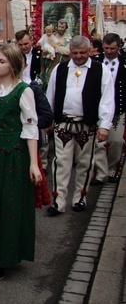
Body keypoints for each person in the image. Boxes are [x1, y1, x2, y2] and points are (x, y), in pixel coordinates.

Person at [0, 44, 41, 281]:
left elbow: (30, 127)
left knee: (7, 204)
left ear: (13, 65)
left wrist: (33, 163)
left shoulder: (23, 90)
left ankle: (1, 259)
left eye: (1, 61)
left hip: (12, 154)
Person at [46, 36, 113, 215]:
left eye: (82, 52)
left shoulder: (101, 70)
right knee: (61, 163)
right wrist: (48, 119)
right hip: (63, 124)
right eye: (74, 53)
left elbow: (107, 99)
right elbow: (50, 95)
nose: (78, 56)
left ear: (89, 50)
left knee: (85, 163)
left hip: (87, 124)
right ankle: (58, 201)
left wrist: (104, 125)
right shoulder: (60, 69)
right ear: (70, 52)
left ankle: (80, 198)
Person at [92, 33, 125, 184]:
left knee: (116, 141)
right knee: (99, 142)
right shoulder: (95, 62)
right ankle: (100, 173)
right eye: (106, 48)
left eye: (112, 48)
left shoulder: (124, 62)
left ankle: (112, 167)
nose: (109, 51)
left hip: (119, 108)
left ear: (119, 47)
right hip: (99, 108)